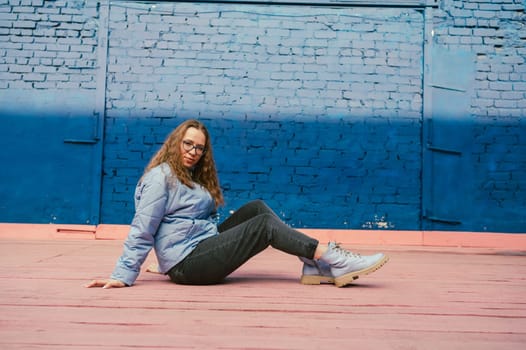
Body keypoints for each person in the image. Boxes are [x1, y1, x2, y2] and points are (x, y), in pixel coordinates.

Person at [85, 119, 388, 289]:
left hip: (198, 248)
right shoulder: (160, 178)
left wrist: (163, 261)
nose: (193, 151)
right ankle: (331, 258)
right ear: (176, 143)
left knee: (256, 208)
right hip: (189, 265)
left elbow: (182, 225)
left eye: (199, 148)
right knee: (264, 225)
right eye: (188, 143)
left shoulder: (191, 176)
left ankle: (313, 266)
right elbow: (143, 227)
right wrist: (123, 275)